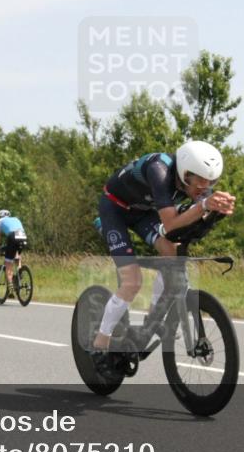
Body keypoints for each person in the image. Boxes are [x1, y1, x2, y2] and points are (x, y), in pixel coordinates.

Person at [92, 140, 236, 352]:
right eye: (200, 182)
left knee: (173, 254)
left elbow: (189, 220)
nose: (205, 188)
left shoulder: (196, 183)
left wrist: (216, 211)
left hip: (144, 212)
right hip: (115, 209)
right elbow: (170, 224)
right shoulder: (159, 170)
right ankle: (100, 342)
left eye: (211, 182)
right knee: (132, 282)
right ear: (185, 174)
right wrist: (204, 205)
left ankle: (152, 320)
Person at [0, 210, 27, 290]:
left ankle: (10, 287)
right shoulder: (16, 219)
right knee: (16, 255)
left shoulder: (0, 221)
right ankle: (19, 271)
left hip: (13, 236)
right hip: (23, 236)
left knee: (8, 263)